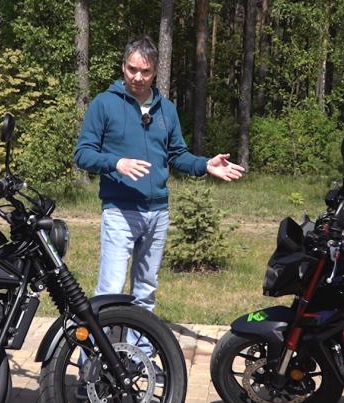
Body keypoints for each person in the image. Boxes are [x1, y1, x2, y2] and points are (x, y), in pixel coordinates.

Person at [73, 35, 244, 394]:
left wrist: (205, 165)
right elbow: (83, 154)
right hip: (120, 211)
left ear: (154, 72)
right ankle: (92, 366)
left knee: (145, 292)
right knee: (109, 291)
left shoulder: (166, 109)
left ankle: (138, 361)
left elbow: (177, 155)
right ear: (123, 67)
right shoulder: (104, 104)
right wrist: (115, 162)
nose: (137, 77)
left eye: (145, 72)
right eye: (131, 69)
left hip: (157, 214)